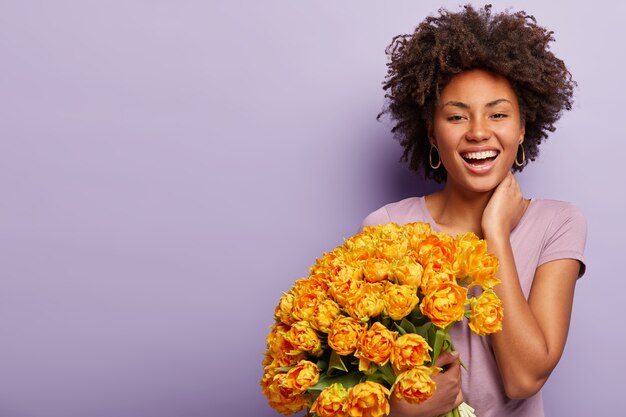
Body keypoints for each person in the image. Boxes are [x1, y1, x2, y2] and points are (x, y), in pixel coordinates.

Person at [361, 5, 587, 417]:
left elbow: (524, 378)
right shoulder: (388, 227)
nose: (479, 131)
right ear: (431, 131)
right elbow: (359, 385)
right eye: (456, 116)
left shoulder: (558, 223)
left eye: (498, 114)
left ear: (522, 128)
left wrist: (495, 232)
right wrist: (401, 411)